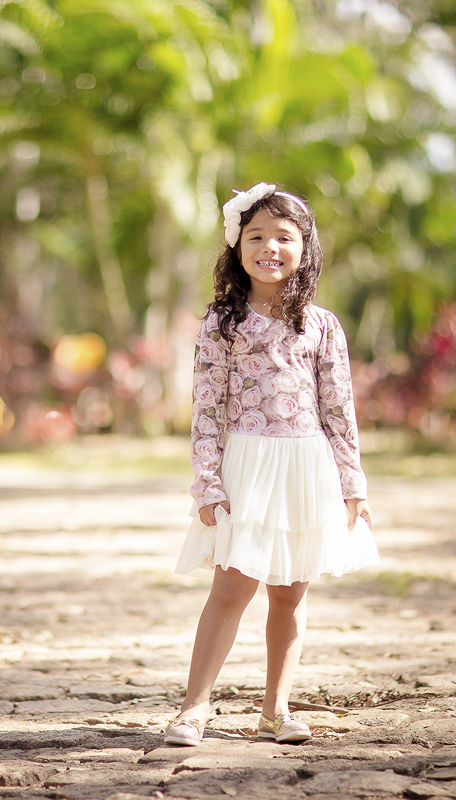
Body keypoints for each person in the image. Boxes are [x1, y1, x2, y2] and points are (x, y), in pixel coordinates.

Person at [164, 182, 379, 747]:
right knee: (231, 590)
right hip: (246, 468)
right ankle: (194, 709)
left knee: (290, 593)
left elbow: (338, 409)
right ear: (236, 248)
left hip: (307, 468)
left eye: (284, 237)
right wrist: (207, 483)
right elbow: (206, 409)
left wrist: (352, 483)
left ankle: (275, 711)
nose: (270, 247)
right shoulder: (222, 323)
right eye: (255, 235)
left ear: (304, 246)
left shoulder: (322, 325)